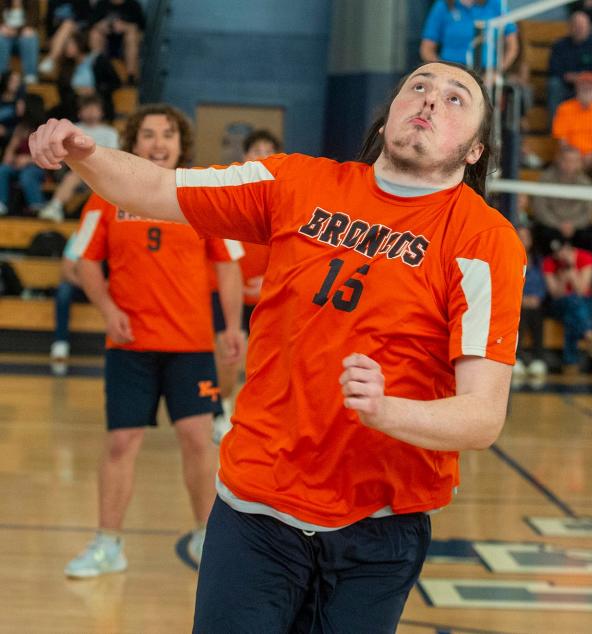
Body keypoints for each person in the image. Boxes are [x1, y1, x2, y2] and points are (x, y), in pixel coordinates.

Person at [30, 61, 525, 631]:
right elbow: (160, 187)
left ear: (474, 152)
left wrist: (387, 411)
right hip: (256, 509)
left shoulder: (484, 241)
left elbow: (483, 417)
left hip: (379, 528)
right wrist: (83, 152)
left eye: (456, 97)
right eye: (418, 86)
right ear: (387, 114)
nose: (432, 100)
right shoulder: (296, 182)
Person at [58, 104, 245, 578]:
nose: (158, 143)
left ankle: (208, 538)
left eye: (167, 135)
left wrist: (230, 326)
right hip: (130, 348)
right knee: (121, 442)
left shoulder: (201, 196)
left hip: (191, 347)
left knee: (198, 440)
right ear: (133, 143)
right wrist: (109, 310)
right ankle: (108, 544)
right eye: (147, 135)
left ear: (181, 143)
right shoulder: (105, 196)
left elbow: (227, 267)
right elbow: (83, 263)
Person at [211, 128, 281, 444]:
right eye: (256, 149)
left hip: (269, 297)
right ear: (245, 157)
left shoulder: (288, 201)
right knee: (226, 357)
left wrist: (270, 281)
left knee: (269, 364)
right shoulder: (229, 196)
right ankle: (218, 410)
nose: (262, 155)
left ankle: (260, 420)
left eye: (269, 150)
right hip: (228, 295)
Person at [39, 94, 118, 222]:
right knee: (76, 174)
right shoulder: (73, 128)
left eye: (95, 108)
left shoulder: (110, 132)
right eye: (87, 108)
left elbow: (113, 156)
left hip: (100, 172)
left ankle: (55, 206)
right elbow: (62, 152)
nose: (91, 112)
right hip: (72, 169)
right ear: (80, 112)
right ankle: (55, 207)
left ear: (102, 112)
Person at [419, 0, 519, 78]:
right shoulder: (443, 5)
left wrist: (496, 72)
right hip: (451, 70)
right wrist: (443, 71)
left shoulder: (496, 4)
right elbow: (426, 49)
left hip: (486, 72)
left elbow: (513, 47)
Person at [552, 70, 592, 186]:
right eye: (583, 86)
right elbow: (562, 140)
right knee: (569, 162)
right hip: (571, 154)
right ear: (577, 89)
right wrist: (576, 156)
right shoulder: (564, 109)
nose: (587, 90)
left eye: (590, 87)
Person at [544, 237, 592, 372]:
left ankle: (570, 363)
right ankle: (589, 333)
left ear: (569, 248)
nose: (558, 256)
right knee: (571, 302)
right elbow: (556, 294)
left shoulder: (586, 257)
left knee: (572, 312)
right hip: (560, 304)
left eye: (561, 252)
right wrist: (563, 279)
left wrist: (572, 268)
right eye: (556, 253)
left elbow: (582, 290)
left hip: (585, 303)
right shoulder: (549, 262)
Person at [530, 144, 592, 251]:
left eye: (573, 161)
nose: (569, 164)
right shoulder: (546, 179)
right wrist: (558, 224)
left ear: (579, 163)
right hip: (551, 226)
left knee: (591, 235)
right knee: (540, 233)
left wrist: (573, 225)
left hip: (576, 228)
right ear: (559, 160)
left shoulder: (585, 183)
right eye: (566, 160)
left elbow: (588, 210)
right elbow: (540, 207)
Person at [547, 11, 592, 117]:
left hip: (589, 85)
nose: (580, 29)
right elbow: (553, 69)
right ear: (570, 27)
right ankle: (555, 128)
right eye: (576, 26)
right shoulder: (560, 46)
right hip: (567, 85)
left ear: (589, 27)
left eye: (582, 26)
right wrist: (568, 77)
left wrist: (583, 78)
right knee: (554, 84)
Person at [49, 230, 87, 374]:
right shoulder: (81, 235)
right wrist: (90, 285)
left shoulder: (114, 233)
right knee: (64, 290)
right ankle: (60, 343)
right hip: (82, 284)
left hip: (107, 285)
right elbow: (66, 270)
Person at [515, 222, 548, 382]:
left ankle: (538, 358)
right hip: (516, 302)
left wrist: (537, 297)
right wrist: (520, 299)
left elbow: (543, 283)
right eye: (519, 237)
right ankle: (517, 357)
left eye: (525, 237)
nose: (522, 240)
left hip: (535, 302)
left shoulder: (538, 261)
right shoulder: (508, 257)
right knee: (519, 314)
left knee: (537, 314)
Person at [89, 0, 145, 84]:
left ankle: (131, 77)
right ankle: (98, 70)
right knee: (95, 34)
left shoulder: (133, 5)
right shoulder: (102, 3)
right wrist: (102, 26)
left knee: (132, 35)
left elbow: (141, 28)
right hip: (107, 39)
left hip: (126, 41)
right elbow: (93, 23)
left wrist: (125, 27)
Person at [0, 0, 39, 83]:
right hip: (5, 38)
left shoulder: (32, 2)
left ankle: (30, 76)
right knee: (1, 39)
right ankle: (1, 75)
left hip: (23, 38)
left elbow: (34, 22)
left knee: (30, 37)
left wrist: (16, 31)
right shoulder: (2, 3)